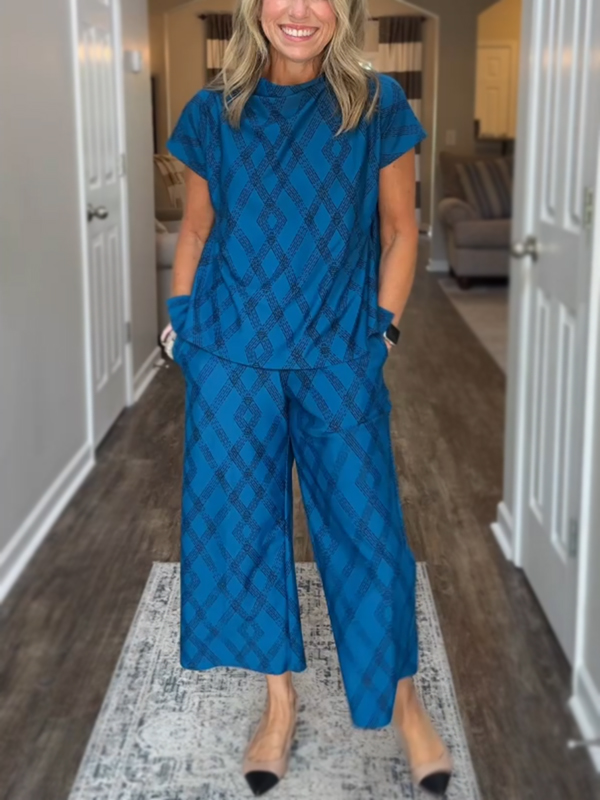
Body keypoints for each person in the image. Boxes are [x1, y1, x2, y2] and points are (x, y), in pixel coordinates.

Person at [164, 0, 452, 795]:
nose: (299, 10)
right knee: (244, 532)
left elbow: (401, 230)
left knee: (369, 529)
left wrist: (382, 335)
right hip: (231, 358)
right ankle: (279, 703)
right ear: (255, 7)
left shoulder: (377, 103)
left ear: (346, 10)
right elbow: (196, 230)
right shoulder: (213, 111)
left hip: (337, 358)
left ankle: (405, 703)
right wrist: (183, 326)